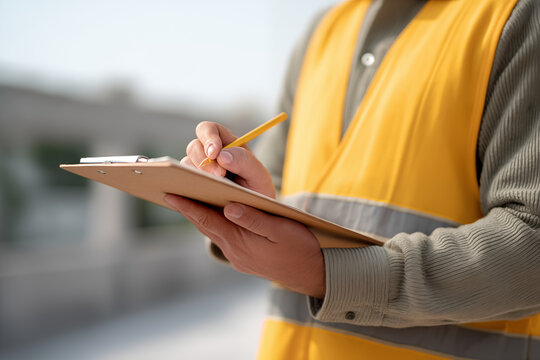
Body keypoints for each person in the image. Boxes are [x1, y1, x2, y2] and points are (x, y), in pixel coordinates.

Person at [164, 0, 540, 358]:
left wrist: (329, 275)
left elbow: (531, 239)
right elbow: (277, 191)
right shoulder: (321, 32)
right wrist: (238, 197)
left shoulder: (516, 15)